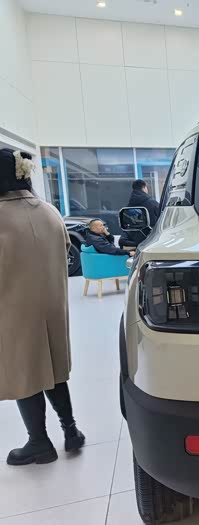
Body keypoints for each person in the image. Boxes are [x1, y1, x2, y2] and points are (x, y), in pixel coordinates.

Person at [0, 148, 85, 465]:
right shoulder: (49, 212)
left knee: (26, 372)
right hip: (52, 307)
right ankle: (71, 430)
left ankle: (38, 442)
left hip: (12, 308)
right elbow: (65, 253)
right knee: (53, 369)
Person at [119, 179, 160, 248]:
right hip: (152, 237)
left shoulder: (129, 206)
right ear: (144, 187)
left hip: (135, 239)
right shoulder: (152, 203)